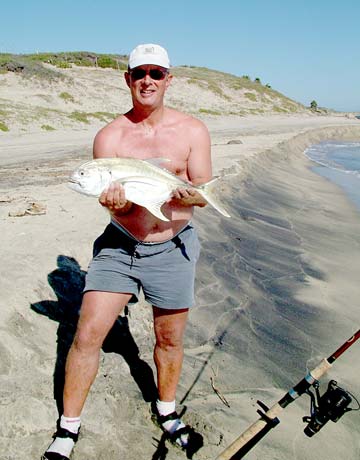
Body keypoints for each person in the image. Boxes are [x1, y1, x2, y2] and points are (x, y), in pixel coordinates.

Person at [42, 43, 212, 460]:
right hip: (120, 247)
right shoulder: (109, 136)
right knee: (85, 334)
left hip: (173, 248)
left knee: (168, 338)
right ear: (128, 79)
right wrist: (114, 202)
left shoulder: (193, 131)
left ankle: (168, 412)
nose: (148, 81)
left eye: (157, 73)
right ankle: (68, 429)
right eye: (140, 74)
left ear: (169, 79)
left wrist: (182, 193)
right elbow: (107, 197)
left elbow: (204, 196)